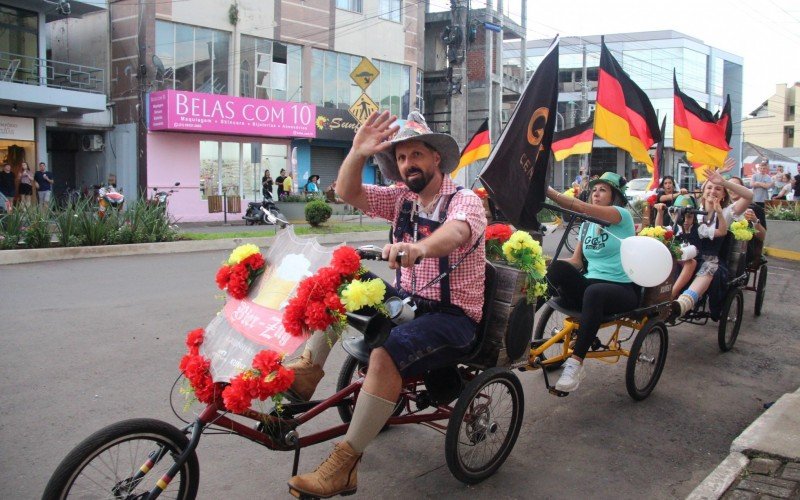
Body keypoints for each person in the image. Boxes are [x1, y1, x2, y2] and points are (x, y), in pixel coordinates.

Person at [286, 110, 486, 498]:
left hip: (453, 318)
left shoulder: (465, 201)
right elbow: (348, 192)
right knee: (342, 281)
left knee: (385, 352)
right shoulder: (401, 198)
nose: (408, 164)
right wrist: (358, 151)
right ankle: (310, 370)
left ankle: (345, 464)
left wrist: (419, 248)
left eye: (416, 155)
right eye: (401, 157)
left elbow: (456, 233)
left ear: (436, 158)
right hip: (409, 302)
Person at [543, 172, 637, 393]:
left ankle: (576, 364)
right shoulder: (587, 224)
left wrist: (546, 190)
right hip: (590, 286)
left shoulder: (620, 216)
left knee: (594, 292)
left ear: (614, 196)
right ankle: (519, 325)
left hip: (621, 289)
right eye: (594, 190)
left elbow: (580, 207)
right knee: (555, 268)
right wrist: (545, 264)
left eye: (603, 190)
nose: (596, 193)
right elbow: (576, 261)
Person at [670, 169, 753, 318]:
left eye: (718, 189)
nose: (713, 191)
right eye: (709, 187)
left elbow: (749, 196)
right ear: (703, 191)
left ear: (723, 195)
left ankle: (683, 303)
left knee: (709, 267)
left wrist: (724, 182)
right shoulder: (693, 210)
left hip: (713, 260)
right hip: (690, 256)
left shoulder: (726, 212)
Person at [728, 176, 767, 266]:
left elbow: (761, 237)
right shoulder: (722, 207)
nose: (733, 189)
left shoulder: (755, 209)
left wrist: (754, 220)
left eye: (736, 186)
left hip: (744, 250)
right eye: (729, 187)